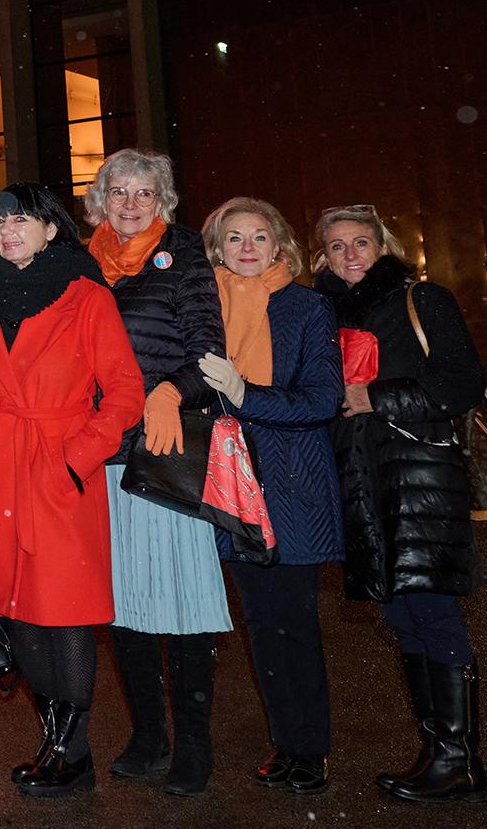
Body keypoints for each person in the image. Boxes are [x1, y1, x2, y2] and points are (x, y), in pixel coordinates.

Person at [315, 204, 487, 803]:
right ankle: (438, 751)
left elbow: (462, 382)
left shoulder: (422, 299)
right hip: (361, 481)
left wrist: (377, 398)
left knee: (432, 610)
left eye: (361, 243)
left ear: (382, 246)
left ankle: (460, 761)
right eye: (337, 247)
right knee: (400, 614)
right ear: (323, 258)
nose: (351, 255)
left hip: (420, 479)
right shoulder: (325, 315)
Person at [0, 182, 143, 798]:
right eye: (0, 222)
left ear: (51, 230)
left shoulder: (86, 296)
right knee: (19, 609)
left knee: (65, 613)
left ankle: (75, 755)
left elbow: (125, 391)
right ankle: (55, 742)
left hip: (58, 467)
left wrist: (76, 459)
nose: (9, 231)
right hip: (2, 466)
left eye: (22, 220)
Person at [81, 149, 230, 797]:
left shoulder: (184, 254)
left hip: (166, 448)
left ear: (162, 200)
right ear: (100, 199)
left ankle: (193, 745)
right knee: (124, 602)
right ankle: (148, 736)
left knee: (185, 599)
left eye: (144, 192)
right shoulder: (81, 262)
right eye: (119, 191)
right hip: (101, 451)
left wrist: (171, 390)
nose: (131, 203)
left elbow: (209, 351)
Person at [197, 197, 343, 796]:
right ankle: (285, 741)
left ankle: (310, 749)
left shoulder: (306, 307)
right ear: (217, 249)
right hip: (230, 484)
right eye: (234, 238)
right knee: (261, 624)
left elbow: (322, 399)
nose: (248, 247)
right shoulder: (205, 308)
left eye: (259, 236)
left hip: (291, 484)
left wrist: (245, 394)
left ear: (279, 244)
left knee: (294, 622)